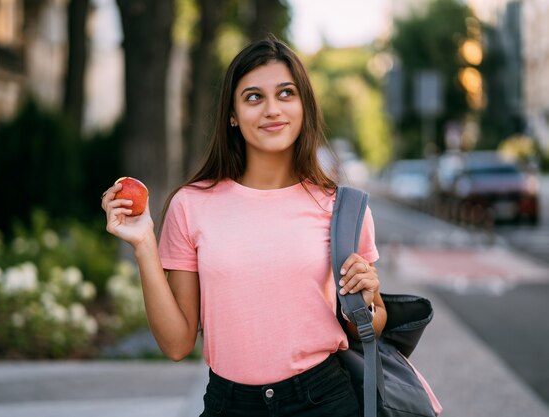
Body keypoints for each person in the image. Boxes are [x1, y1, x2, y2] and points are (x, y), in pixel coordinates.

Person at [101, 35, 387, 417]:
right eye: (254, 97)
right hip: (229, 405)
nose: (272, 109)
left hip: (324, 400)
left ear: (303, 106)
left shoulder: (342, 207)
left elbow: (372, 323)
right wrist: (143, 245)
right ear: (232, 114)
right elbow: (176, 344)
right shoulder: (192, 205)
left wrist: (365, 302)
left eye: (286, 93)